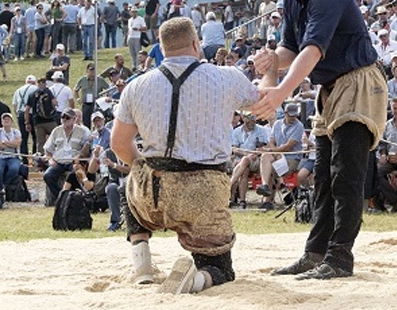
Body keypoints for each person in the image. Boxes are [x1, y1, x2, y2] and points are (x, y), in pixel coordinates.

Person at [252, 0, 387, 280]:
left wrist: (282, 91)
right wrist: (272, 61)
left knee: (346, 172)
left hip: (357, 82)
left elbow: (313, 50)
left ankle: (340, 257)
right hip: (331, 88)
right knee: (323, 175)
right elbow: (290, 49)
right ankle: (316, 253)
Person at [111, 17, 263, 293]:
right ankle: (196, 280)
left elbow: (119, 144)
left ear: (161, 47)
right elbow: (265, 108)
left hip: (152, 191)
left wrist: (143, 171)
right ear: (196, 43)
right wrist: (272, 72)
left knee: (128, 188)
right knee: (220, 269)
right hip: (203, 189)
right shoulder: (227, 76)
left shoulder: (136, 85)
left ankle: (142, 265)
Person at [255, 102, 304, 210]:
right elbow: (272, 140)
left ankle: (268, 200)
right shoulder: (277, 124)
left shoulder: (299, 126)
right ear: (285, 113)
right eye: (291, 115)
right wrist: (274, 151)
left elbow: (288, 146)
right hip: (277, 155)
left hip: (291, 158)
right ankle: (265, 186)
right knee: (265, 157)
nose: (293, 117)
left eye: (295, 115)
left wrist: (273, 150)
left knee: (270, 167)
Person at [42, 108, 90, 206]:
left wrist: (81, 155)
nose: (64, 119)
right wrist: (50, 160)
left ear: (74, 119)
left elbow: (87, 151)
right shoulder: (56, 131)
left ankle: (80, 199)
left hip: (74, 161)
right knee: (47, 175)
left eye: (67, 117)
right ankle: (61, 198)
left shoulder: (82, 131)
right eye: (62, 117)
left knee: (76, 174)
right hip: (59, 161)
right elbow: (48, 149)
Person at [74, 63, 109, 129]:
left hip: (97, 104)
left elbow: (108, 89)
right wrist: (78, 99)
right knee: (86, 122)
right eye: (91, 70)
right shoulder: (82, 80)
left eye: (94, 70)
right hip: (86, 104)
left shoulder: (100, 80)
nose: (93, 72)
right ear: (87, 71)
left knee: (97, 121)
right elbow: (76, 90)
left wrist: (105, 98)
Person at [0, 113, 21, 189]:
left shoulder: (16, 132)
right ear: (1, 122)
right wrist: (11, 143)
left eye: (8, 119)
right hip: (0, 157)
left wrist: (3, 143)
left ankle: (5, 185)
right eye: (4, 119)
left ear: (12, 122)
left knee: (14, 169)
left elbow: (17, 144)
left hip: (13, 157)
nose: (6, 121)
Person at [12, 75, 38, 164]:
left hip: (21, 114)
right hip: (32, 113)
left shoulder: (18, 90)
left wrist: (17, 115)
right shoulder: (36, 89)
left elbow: (14, 104)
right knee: (36, 137)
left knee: (23, 137)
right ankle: (35, 157)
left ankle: (24, 159)